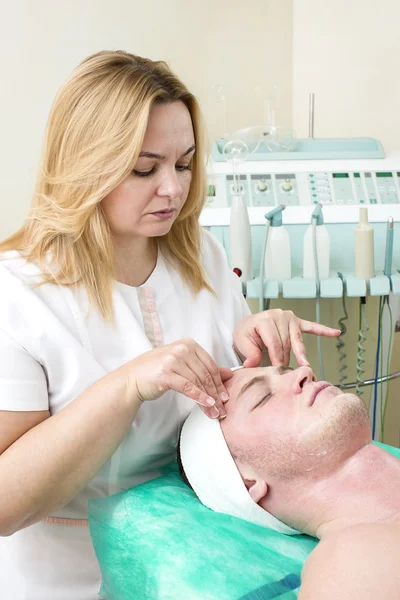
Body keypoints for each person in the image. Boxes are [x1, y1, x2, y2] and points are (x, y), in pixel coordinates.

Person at [0, 50, 340, 600]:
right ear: (85, 165)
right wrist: (128, 385)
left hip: (199, 563)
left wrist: (251, 349)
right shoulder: (16, 294)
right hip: (64, 579)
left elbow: (224, 431)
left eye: (183, 164)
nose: (173, 190)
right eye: (144, 168)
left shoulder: (198, 256)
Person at [180, 365, 400, 599]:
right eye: (262, 397)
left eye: (289, 370)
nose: (304, 371)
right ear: (247, 483)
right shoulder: (350, 568)